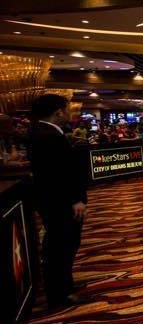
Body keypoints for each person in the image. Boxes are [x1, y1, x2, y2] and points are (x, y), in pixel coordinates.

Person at [28, 95, 88, 307]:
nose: (71, 113)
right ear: (58, 112)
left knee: (64, 245)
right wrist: (75, 199)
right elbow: (57, 175)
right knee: (61, 246)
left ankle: (65, 285)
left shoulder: (44, 131)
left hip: (55, 201)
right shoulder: (47, 135)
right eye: (68, 109)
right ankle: (60, 294)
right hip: (60, 203)